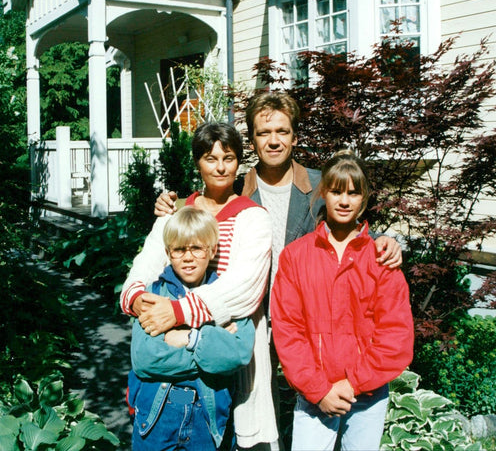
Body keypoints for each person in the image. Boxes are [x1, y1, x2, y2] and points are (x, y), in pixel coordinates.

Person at [120, 121, 278, 449]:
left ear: (239, 162)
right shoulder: (177, 214)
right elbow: (143, 269)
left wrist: (177, 318)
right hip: (171, 382)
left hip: (229, 355)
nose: (220, 167)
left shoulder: (253, 217)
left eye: (229, 157)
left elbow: (243, 288)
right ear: (197, 163)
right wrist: (140, 303)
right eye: (210, 158)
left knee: (229, 434)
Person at [155, 91, 403, 280]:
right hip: (251, 320)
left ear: (294, 137)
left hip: (305, 318)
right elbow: (202, 210)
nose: (273, 141)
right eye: (264, 133)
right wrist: (171, 206)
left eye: (282, 132)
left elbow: (350, 228)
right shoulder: (237, 190)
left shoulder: (321, 186)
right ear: (252, 141)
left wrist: (382, 241)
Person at [270, 150, 414, 451]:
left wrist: (353, 384)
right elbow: (288, 331)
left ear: (364, 197)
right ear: (324, 192)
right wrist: (319, 390)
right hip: (314, 393)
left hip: (368, 393)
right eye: (336, 191)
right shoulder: (297, 256)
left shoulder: (380, 258)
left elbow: (395, 335)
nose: (344, 201)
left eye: (353, 193)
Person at [128, 206, 255, 451]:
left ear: (212, 250)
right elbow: (144, 359)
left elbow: (238, 354)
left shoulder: (227, 295)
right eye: (179, 249)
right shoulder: (154, 294)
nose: (188, 257)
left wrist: (191, 338)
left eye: (197, 248)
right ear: (168, 253)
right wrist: (213, 351)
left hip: (206, 419)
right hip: (157, 416)